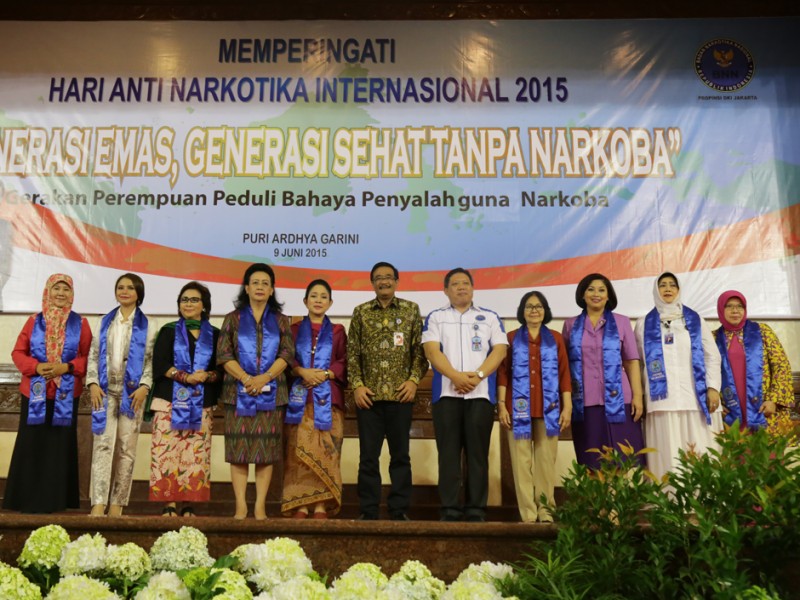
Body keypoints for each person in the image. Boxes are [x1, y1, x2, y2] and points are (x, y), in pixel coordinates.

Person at [422, 267, 508, 522]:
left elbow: (500, 351)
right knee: (448, 454)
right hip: (446, 396)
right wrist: (455, 376)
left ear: (473, 288)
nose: (461, 287)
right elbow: (432, 351)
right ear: (445, 290)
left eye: (466, 283)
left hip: (480, 396)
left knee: (477, 454)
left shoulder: (490, 317)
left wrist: (478, 376)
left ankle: (476, 509)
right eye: (456, 284)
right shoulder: (436, 317)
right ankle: (449, 508)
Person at [3, 274, 92, 513]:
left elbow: (88, 358)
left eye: (65, 289)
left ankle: (56, 500)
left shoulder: (81, 323)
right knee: (32, 445)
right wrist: (36, 367)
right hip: (34, 393)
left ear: (71, 294)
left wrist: (67, 367)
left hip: (65, 395)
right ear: (48, 292)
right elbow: (18, 353)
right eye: (56, 288)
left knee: (58, 447)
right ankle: (25, 500)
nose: (61, 293)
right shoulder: (34, 321)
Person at [348, 262, 428, 521]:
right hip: (368, 398)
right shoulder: (361, 312)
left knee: (400, 456)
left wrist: (413, 381)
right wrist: (357, 385)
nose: (384, 281)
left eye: (388, 277)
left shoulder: (411, 310)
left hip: (400, 397)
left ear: (397, 281)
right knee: (368, 458)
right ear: (372, 283)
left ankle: (399, 510)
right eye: (379, 278)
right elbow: (352, 355)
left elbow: (420, 353)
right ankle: (368, 510)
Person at [217, 263, 294, 520]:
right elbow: (224, 354)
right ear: (247, 288)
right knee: (239, 452)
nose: (260, 287)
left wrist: (264, 378)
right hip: (236, 393)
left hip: (272, 394)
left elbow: (287, 354)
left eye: (265, 283)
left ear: (272, 290)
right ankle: (241, 506)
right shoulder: (232, 318)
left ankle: (260, 506)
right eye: (255, 282)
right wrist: (246, 378)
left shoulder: (281, 320)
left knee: (265, 452)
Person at [634, 272, 722, 482]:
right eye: (663, 285)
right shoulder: (643, 323)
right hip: (661, 401)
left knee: (699, 449)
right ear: (656, 290)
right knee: (666, 452)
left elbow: (712, 356)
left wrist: (712, 387)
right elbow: (637, 362)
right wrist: (639, 395)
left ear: (679, 289)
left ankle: (702, 496)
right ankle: (667, 497)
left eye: (672, 285)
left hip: (695, 398)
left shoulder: (695, 319)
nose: (667, 289)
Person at [146, 281, 222, 517]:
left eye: (194, 300)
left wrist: (207, 375)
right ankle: (168, 504)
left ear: (204, 305)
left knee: (195, 454)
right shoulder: (168, 330)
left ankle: (189, 503)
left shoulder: (216, 334)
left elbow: (222, 369)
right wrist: (185, 376)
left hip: (202, 402)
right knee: (167, 453)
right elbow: (160, 364)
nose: (188, 304)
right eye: (184, 300)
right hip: (169, 401)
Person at [497, 291, 572, 523]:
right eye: (529, 306)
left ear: (545, 310)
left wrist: (567, 406)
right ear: (522, 311)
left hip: (549, 409)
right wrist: (502, 405)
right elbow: (503, 373)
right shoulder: (510, 338)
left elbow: (564, 374)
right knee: (521, 464)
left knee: (545, 463)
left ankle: (546, 511)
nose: (534, 310)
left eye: (538, 306)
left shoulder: (556, 339)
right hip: (517, 409)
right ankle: (528, 514)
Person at [86, 273, 156, 517]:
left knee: (127, 449)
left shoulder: (149, 325)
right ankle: (98, 503)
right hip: (104, 392)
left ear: (139, 293)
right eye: (120, 287)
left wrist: (145, 386)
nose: (124, 291)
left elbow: (150, 360)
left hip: (132, 394)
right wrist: (92, 383)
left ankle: (117, 504)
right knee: (102, 446)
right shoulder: (104, 322)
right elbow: (93, 354)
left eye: (130, 288)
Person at [562, 273, 645, 470]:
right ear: (582, 295)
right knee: (592, 460)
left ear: (608, 296)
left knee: (623, 458)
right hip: (585, 402)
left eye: (601, 290)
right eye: (590, 289)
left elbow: (631, 361)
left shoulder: (622, 322)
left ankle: (620, 492)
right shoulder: (570, 325)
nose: (596, 294)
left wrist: (638, 396)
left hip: (620, 400)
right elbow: (564, 366)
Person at [281, 279, 347, 519]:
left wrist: (325, 374)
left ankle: (320, 505)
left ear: (330, 303)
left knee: (326, 452)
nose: (318, 300)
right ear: (305, 301)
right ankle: (300, 505)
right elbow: (286, 358)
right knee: (297, 453)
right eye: (314, 296)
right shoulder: (293, 330)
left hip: (329, 399)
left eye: (323, 297)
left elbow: (344, 361)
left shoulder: (338, 331)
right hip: (299, 399)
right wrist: (301, 371)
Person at [713, 290, 793, 431]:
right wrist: (717, 402)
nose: (735, 310)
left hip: (764, 407)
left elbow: (782, 366)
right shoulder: (713, 338)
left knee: (764, 444)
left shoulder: (762, 331)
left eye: (739, 306)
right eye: (729, 306)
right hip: (730, 411)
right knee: (734, 444)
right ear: (720, 309)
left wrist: (773, 399)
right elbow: (707, 373)